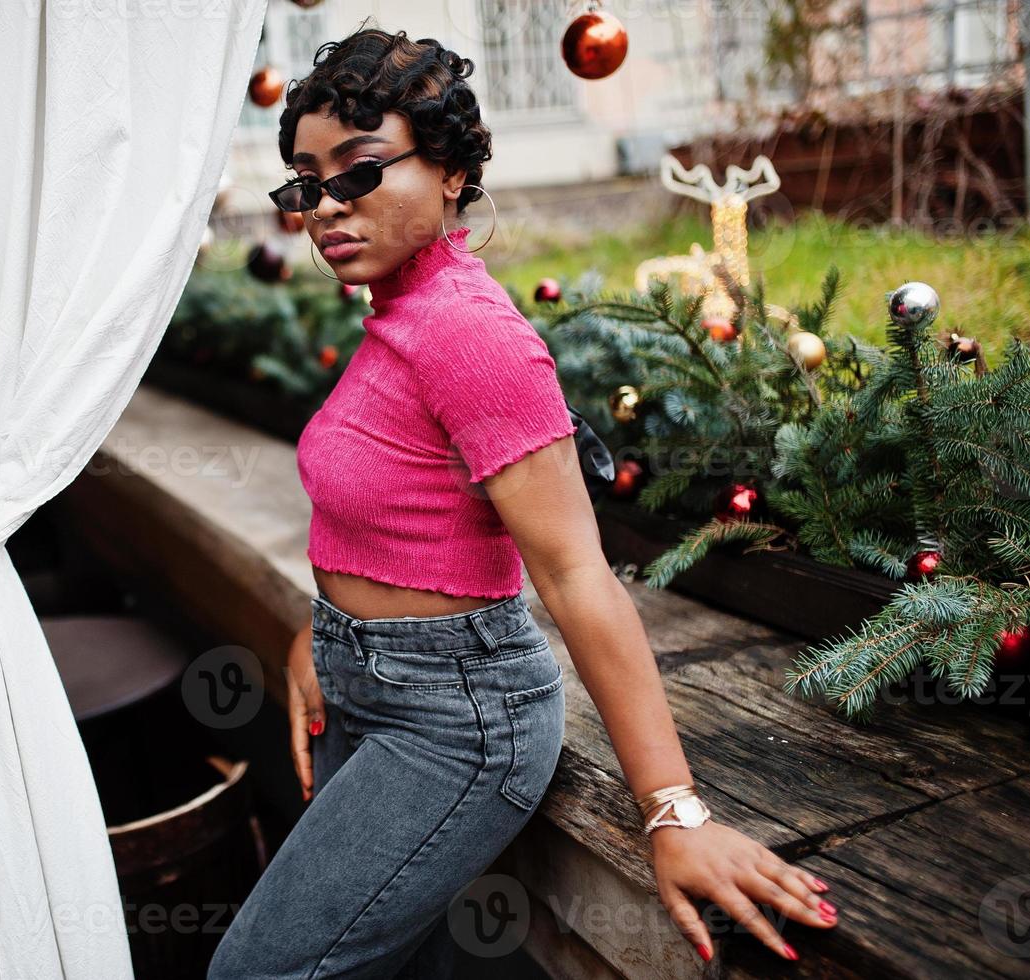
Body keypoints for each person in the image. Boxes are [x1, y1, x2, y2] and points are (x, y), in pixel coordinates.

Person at [207, 26, 839, 979]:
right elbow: (381, 503)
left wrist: (674, 811)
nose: (325, 207)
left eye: (359, 171)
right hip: (361, 685)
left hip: (455, 721)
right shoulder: (398, 317)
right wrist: (323, 628)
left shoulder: (470, 336)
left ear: (452, 170)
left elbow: (578, 573)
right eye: (305, 182)